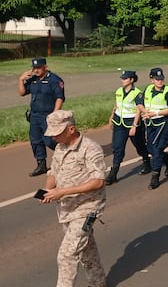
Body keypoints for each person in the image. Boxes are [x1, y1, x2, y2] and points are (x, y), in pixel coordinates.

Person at [39, 110, 107, 287]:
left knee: (66, 255)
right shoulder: (60, 147)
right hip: (67, 209)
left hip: (86, 209)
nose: (53, 137)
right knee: (86, 251)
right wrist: (48, 189)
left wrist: (63, 192)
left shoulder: (90, 148)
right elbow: (53, 172)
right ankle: (98, 283)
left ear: (71, 129)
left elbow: (98, 181)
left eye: (57, 133)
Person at [18, 57, 65, 176]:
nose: (36, 70)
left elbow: (59, 98)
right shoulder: (33, 80)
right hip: (34, 115)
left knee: (49, 140)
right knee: (35, 140)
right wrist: (21, 80)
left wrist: (55, 115)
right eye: (34, 68)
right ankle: (41, 165)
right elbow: (22, 93)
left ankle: (66, 154)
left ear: (45, 67)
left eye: (38, 68)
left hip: (48, 115)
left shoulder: (54, 80)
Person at [107, 70, 151, 185]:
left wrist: (134, 126)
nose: (122, 80)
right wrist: (111, 117)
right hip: (119, 123)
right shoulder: (119, 91)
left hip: (132, 124)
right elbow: (117, 105)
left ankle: (147, 162)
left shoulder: (137, 93)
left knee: (140, 146)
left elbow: (138, 110)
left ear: (132, 80)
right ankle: (113, 173)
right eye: (122, 78)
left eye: (125, 78)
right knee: (118, 148)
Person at [138, 68, 168, 190]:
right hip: (150, 122)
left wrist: (154, 113)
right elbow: (139, 103)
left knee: (157, 148)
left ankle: (155, 176)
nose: (160, 81)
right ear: (151, 80)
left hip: (163, 122)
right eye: (157, 79)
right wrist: (145, 112)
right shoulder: (148, 89)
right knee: (150, 147)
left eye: (161, 79)